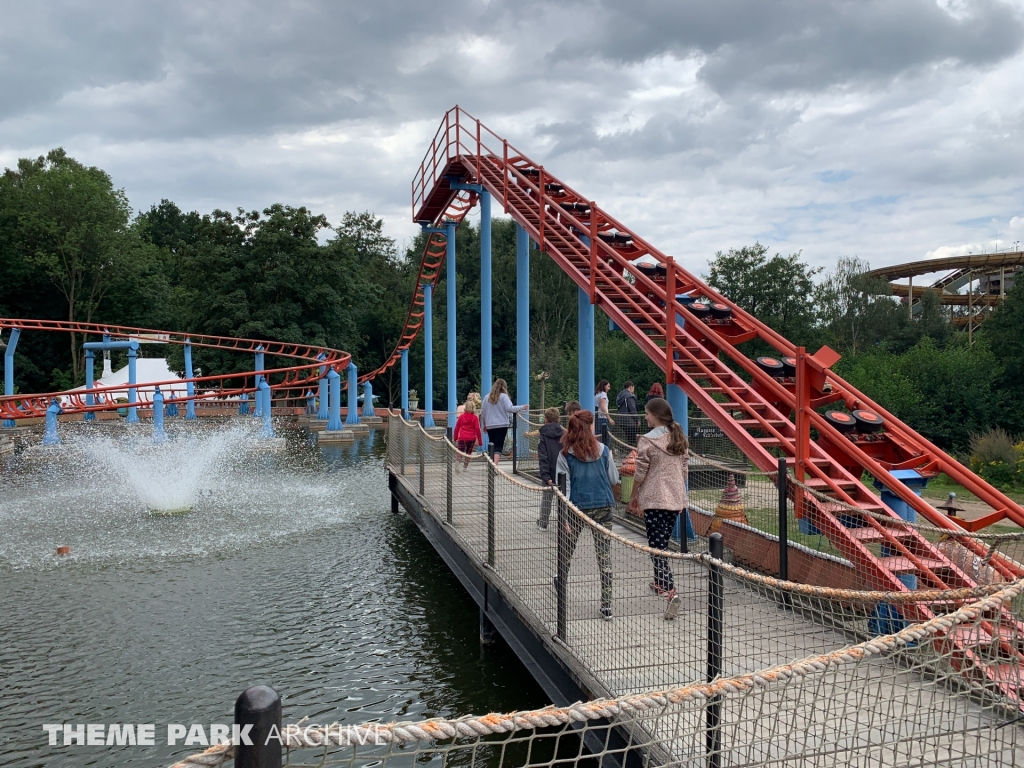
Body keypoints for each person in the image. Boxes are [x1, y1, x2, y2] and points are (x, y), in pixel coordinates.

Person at [627, 397, 689, 620]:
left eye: (647, 413)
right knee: (662, 543)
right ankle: (659, 583)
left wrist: (634, 494)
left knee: (656, 546)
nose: (645, 417)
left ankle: (671, 592)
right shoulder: (678, 437)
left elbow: (640, 471)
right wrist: (682, 497)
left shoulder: (647, 441)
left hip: (654, 499)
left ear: (656, 415)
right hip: (674, 499)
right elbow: (684, 469)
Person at [555, 409, 620, 621]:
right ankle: (607, 605)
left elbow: (563, 487)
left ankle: (561, 585)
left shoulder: (565, 454)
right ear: (591, 427)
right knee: (604, 556)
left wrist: (563, 516)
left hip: (576, 508)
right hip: (603, 507)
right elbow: (614, 479)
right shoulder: (603, 450)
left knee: (567, 550)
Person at [480, 379, 529, 464]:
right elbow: (510, 408)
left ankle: (491, 463)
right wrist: (522, 407)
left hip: (490, 425)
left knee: (492, 444)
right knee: (499, 446)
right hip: (502, 424)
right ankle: (494, 465)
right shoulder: (503, 397)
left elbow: (483, 412)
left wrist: (484, 424)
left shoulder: (486, 397)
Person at [535, 407, 565, 530]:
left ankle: (543, 522)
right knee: (564, 498)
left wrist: (545, 476)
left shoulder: (542, 436)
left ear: (545, 420)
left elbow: (543, 457)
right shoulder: (565, 434)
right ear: (558, 419)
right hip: (563, 471)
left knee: (547, 496)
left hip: (550, 470)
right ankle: (564, 523)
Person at [452, 400, 484, 469]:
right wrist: (480, 441)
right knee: (468, 453)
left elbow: (457, 428)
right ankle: (465, 467)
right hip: (471, 438)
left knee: (460, 451)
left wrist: (455, 437)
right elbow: (478, 430)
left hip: (462, 437)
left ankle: (458, 463)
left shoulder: (461, 417)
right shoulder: (475, 417)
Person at [615, 381, 639, 445]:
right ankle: (632, 453)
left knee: (628, 439)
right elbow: (633, 410)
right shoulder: (630, 396)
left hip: (621, 421)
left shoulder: (620, 395)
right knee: (633, 440)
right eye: (633, 388)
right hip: (630, 422)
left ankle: (627, 452)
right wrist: (638, 420)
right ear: (631, 387)